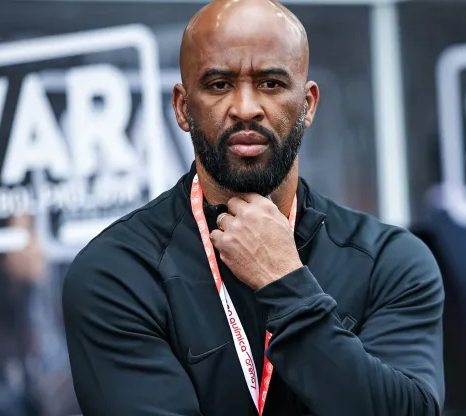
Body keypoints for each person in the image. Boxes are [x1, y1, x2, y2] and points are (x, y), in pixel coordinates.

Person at [61, 0, 445, 415]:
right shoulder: (117, 271)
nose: (246, 108)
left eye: (271, 83)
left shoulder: (390, 261)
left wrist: (286, 283)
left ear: (309, 104)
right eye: (219, 84)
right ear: (182, 107)